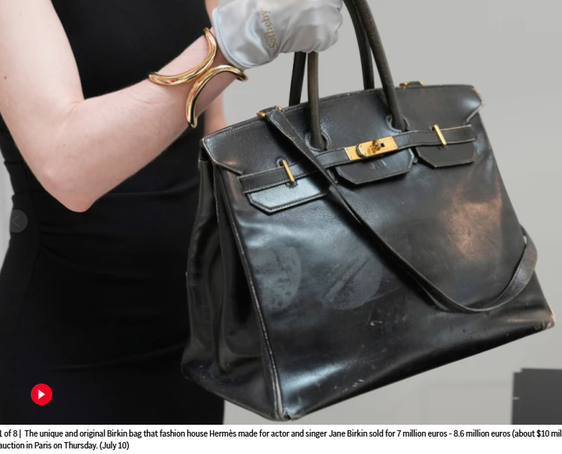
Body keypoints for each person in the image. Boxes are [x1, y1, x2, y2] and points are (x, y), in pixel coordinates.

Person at [0, 0, 343, 424]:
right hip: (64, 351)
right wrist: (228, 46)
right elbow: (65, 165)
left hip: (189, 344)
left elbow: (209, 139)